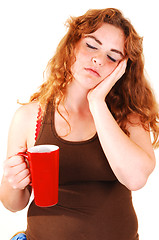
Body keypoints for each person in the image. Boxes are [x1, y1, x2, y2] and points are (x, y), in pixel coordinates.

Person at [0, 8, 159, 240]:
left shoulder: (128, 117)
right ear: (72, 45)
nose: (98, 59)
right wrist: (11, 180)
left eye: (113, 57)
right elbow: (14, 204)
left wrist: (96, 101)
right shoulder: (29, 117)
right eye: (92, 45)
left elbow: (135, 179)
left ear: (122, 68)